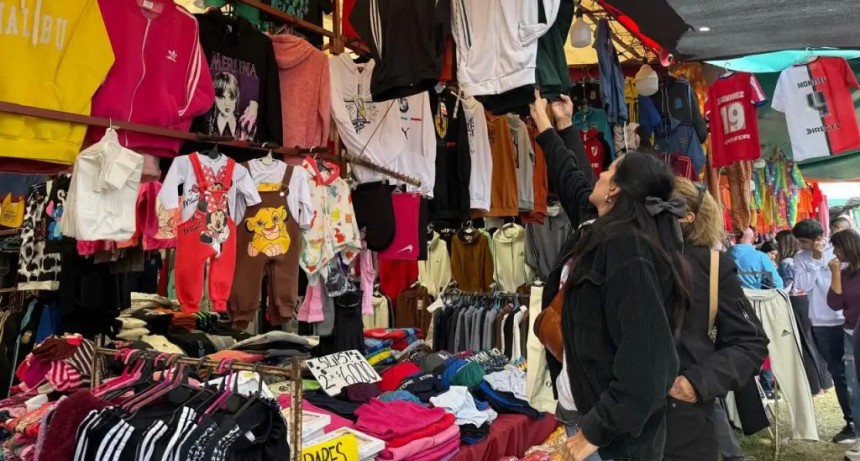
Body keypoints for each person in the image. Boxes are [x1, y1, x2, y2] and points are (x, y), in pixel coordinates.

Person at [531, 90, 690, 461]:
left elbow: (652, 365)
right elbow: (572, 178)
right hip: (583, 415)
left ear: (614, 189)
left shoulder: (626, 249)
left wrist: (596, 431)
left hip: (612, 442)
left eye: (608, 169)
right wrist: (554, 125)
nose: (599, 172)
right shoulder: (599, 227)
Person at [665, 178, 769, 461]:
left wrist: (699, 381)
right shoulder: (621, 255)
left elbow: (751, 342)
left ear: (686, 217)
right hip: (619, 418)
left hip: (680, 420)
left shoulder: (711, 266)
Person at [793, 218, 854, 443]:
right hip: (821, 322)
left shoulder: (839, 251)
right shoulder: (801, 258)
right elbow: (802, 286)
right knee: (838, 373)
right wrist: (816, 260)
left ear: (818, 238)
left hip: (846, 320)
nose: (800, 245)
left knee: (852, 372)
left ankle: (854, 421)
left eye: (803, 241)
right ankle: (851, 422)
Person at [776, 229, 829, 394]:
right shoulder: (801, 258)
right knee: (812, 341)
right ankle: (825, 382)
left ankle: (814, 385)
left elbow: (786, 287)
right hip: (807, 300)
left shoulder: (787, 262)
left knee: (804, 343)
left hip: (795, 302)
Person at [828, 230, 860, 460]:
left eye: (837, 247)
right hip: (850, 335)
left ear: (848, 246)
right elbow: (834, 303)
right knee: (854, 390)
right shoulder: (845, 273)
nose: (834, 252)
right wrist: (835, 274)